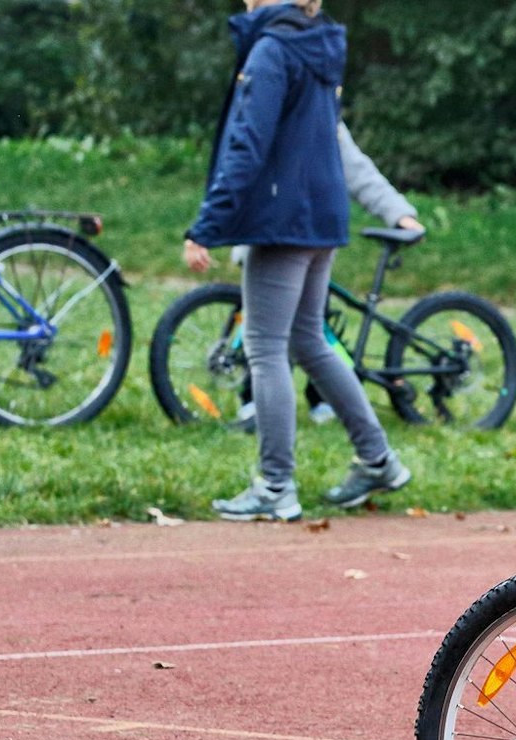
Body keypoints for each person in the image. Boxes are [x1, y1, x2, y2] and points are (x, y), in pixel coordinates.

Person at [184, 0, 411, 521]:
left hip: (283, 218)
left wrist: (207, 226)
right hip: (320, 213)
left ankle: (275, 485)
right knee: (308, 340)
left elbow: (248, 143)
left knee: (265, 348)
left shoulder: (272, 49)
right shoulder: (319, 44)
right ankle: (378, 459)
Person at [233, 118, 427, 431]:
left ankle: (320, 401)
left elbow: (358, 170)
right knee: (277, 334)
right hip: (273, 238)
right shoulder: (266, 110)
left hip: (307, 238)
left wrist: (398, 213)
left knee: (302, 332)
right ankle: (260, 401)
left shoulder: (320, 115)